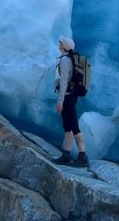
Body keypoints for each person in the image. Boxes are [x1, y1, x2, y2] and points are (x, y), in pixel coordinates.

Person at [52, 36, 89, 167]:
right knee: (67, 127)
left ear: (64, 47)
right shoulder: (68, 60)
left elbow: (63, 82)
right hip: (70, 96)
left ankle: (83, 156)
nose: (58, 44)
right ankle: (66, 154)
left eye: (60, 42)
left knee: (74, 128)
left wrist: (60, 101)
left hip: (67, 97)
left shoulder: (64, 61)